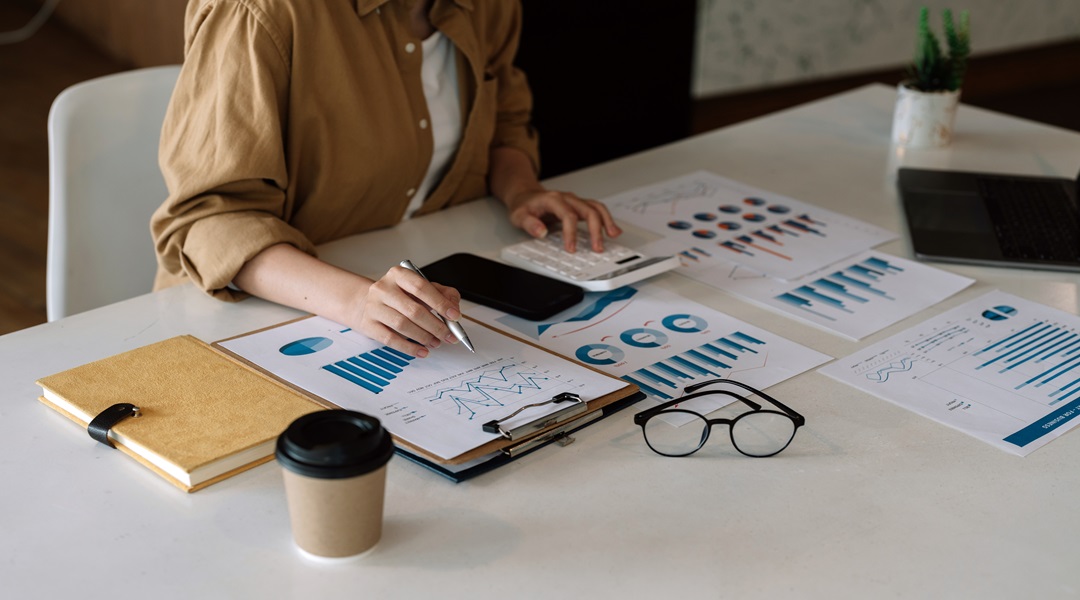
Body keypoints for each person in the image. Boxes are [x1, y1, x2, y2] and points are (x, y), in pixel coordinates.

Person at [151, 0, 621, 359]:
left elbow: (503, 121)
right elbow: (210, 221)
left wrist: (522, 190)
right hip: (251, 317)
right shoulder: (260, 10)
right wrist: (355, 302)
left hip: (426, 287)